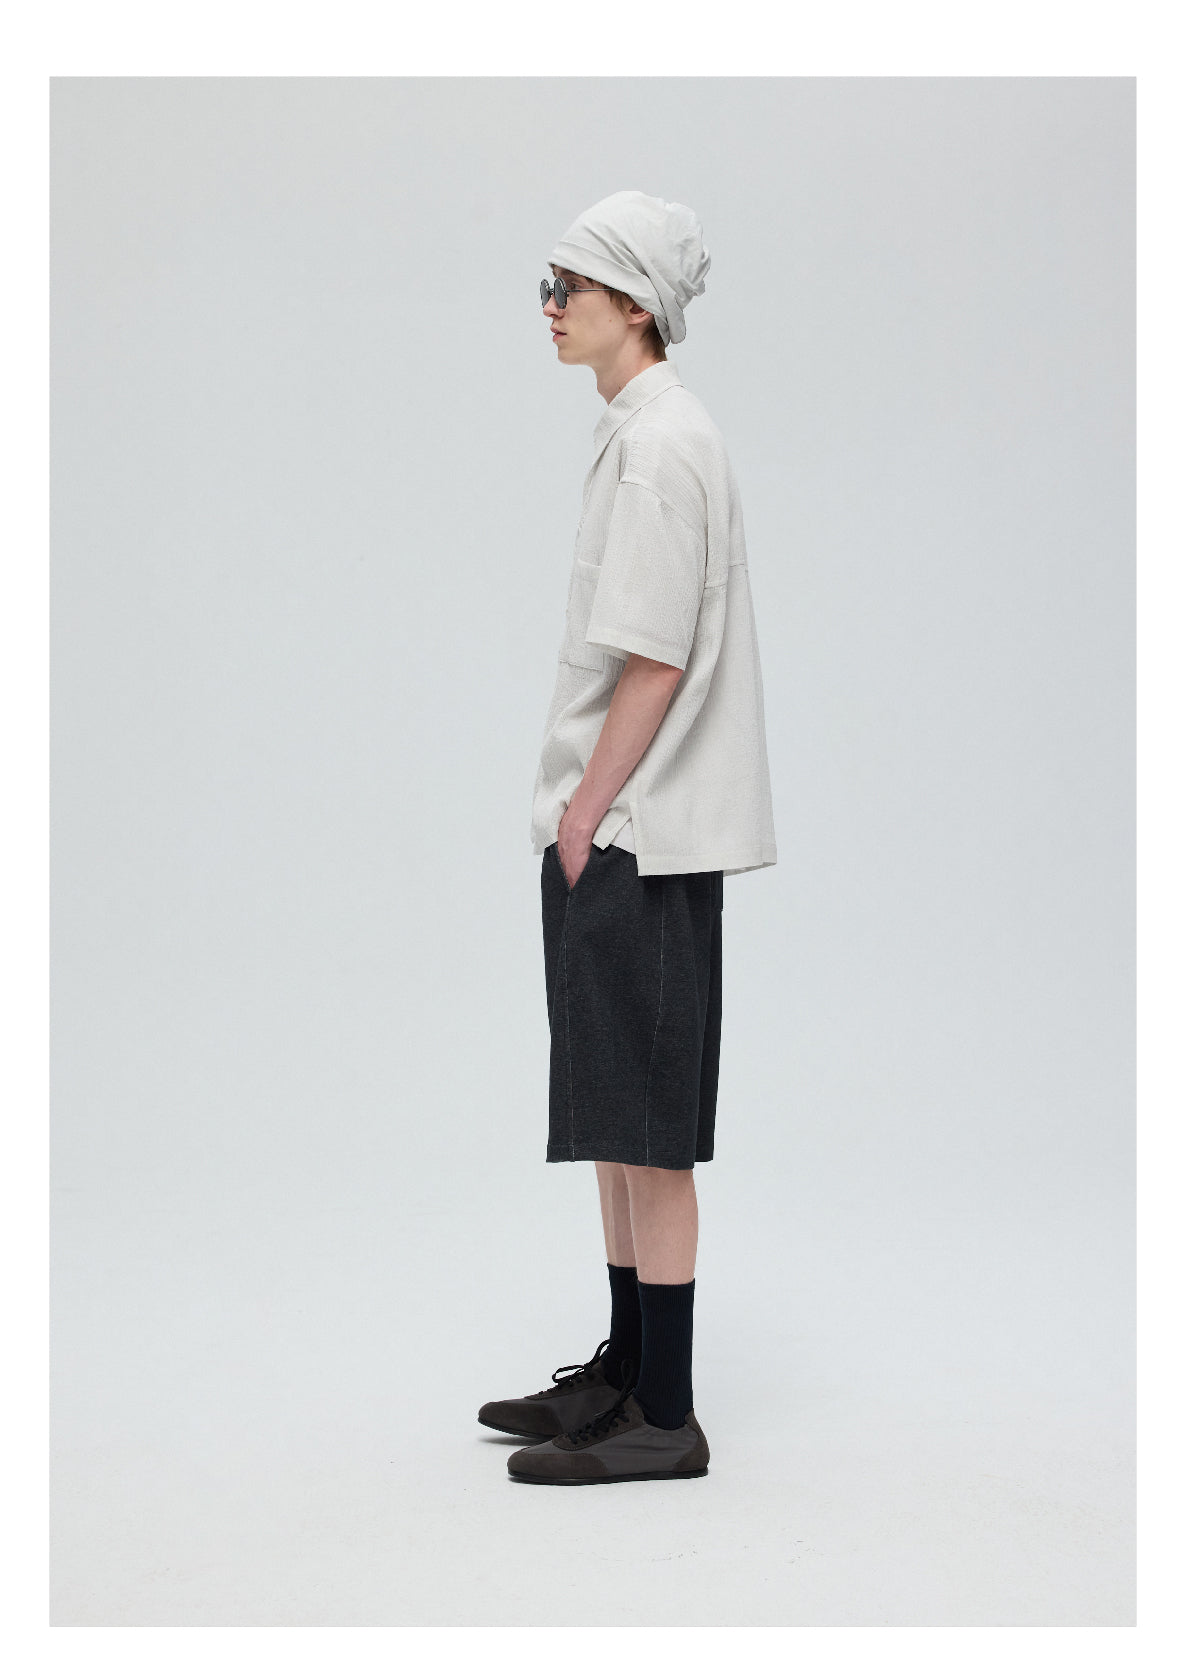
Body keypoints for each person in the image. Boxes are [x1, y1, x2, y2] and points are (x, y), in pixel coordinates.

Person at [478, 190, 777, 1485]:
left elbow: (652, 662)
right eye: (546, 285)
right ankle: (626, 1371)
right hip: (616, 832)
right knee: (614, 1112)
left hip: (637, 836)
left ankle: (667, 1412)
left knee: (647, 1128)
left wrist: (586, 815)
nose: (549, 307)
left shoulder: (661, 449)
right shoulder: (639, 432)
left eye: (571, 287)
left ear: (636, 305)